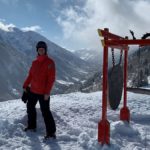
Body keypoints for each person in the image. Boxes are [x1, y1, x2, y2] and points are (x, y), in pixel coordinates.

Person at [23, 41, 56, 139]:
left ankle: (51, 133)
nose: (41, 50)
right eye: (39, 49)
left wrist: (47, 93)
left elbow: (51, 79)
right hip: (33, 90)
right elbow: (30, 75)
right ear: (37, 50)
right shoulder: (34, 62)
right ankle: (32, 126)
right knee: (30, 107)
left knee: (45, 112)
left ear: (45, 50)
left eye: (43, 49)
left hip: (43, 93)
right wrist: (25, 85)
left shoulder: (50, 62)